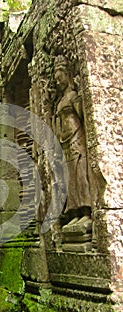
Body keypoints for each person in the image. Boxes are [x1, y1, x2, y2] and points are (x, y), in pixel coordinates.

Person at [54, 55, 91, 228]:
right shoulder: (60, 102)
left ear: (67, 75)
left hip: (77, 138)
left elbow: (82, 116)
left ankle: (86, 209)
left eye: (59, 76)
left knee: (80, 173)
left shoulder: (72, 96)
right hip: (65, 141)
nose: (57, 80)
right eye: (55, 77)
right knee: (69, 179)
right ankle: (74, 211)